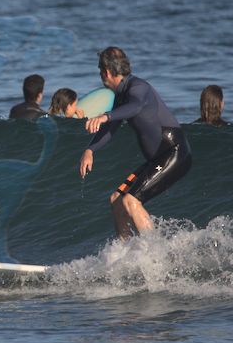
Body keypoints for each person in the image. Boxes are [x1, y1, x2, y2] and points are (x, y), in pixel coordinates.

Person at [79, 47, 192, 239]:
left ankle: (155, 251)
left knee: (131, 201)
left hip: (174, 152)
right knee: (117, 199)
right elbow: (111, 128)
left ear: (106, 72)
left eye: (100, 71)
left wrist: (105, 116)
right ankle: (123, 251)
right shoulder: (121, 96)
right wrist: (90, 149)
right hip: (157, 159)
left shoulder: (138, 87)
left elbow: (135, 106)